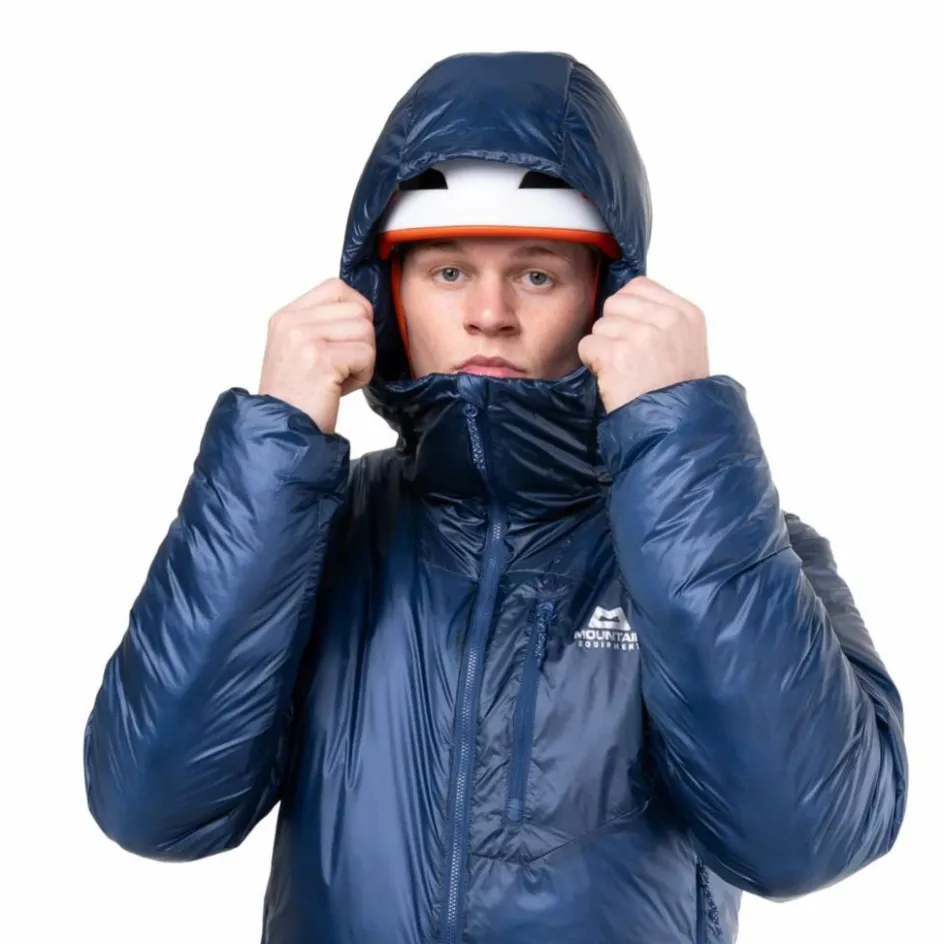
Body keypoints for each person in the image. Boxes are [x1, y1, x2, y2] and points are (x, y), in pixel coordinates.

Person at [83, 50, 908, 944]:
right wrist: (273, 446)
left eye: (537, 273)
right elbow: (153, 808)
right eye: (447, 271)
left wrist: (683, 441)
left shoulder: (729, 541)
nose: (489, 313)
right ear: (386, 296)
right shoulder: (311, 531)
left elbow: (805, 840)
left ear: (608, 299)